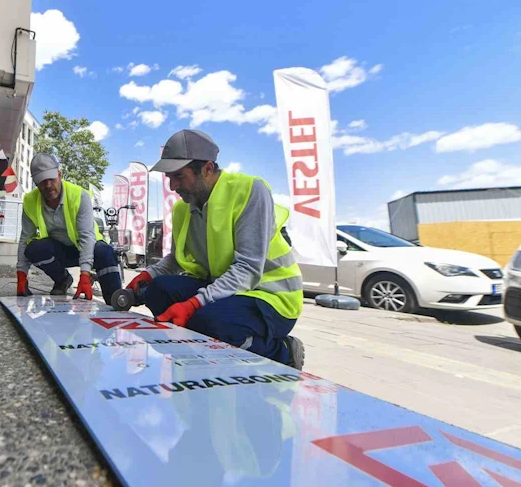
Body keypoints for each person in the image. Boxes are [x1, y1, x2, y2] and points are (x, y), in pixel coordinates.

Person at [126, 129, 305, 369]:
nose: (173, 185)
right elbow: (175, 260)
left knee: (209, 322)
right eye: (169, 177)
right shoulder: (183, 209)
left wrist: (193, 304)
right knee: (157, 290)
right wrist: (148, 275)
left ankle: (282, 352)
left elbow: (248, 269)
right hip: (227, 290)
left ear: (207, 169)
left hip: (271, 296)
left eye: (179, 176)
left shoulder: (249, 191)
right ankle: (197, 349)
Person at [16, 153, 122, 304]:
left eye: (51, 179)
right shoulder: (30, 201)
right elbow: (25, 238)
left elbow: (86, 237)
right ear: (35, 183)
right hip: (60, 252)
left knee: (105, 252)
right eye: (42, 182)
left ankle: (116, 300)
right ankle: (63, 280)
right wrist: (21, 274)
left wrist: (84, 275)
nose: (47, 185)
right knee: (33, 248)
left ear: (59, 175)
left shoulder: (79, 196)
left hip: (87, 248)